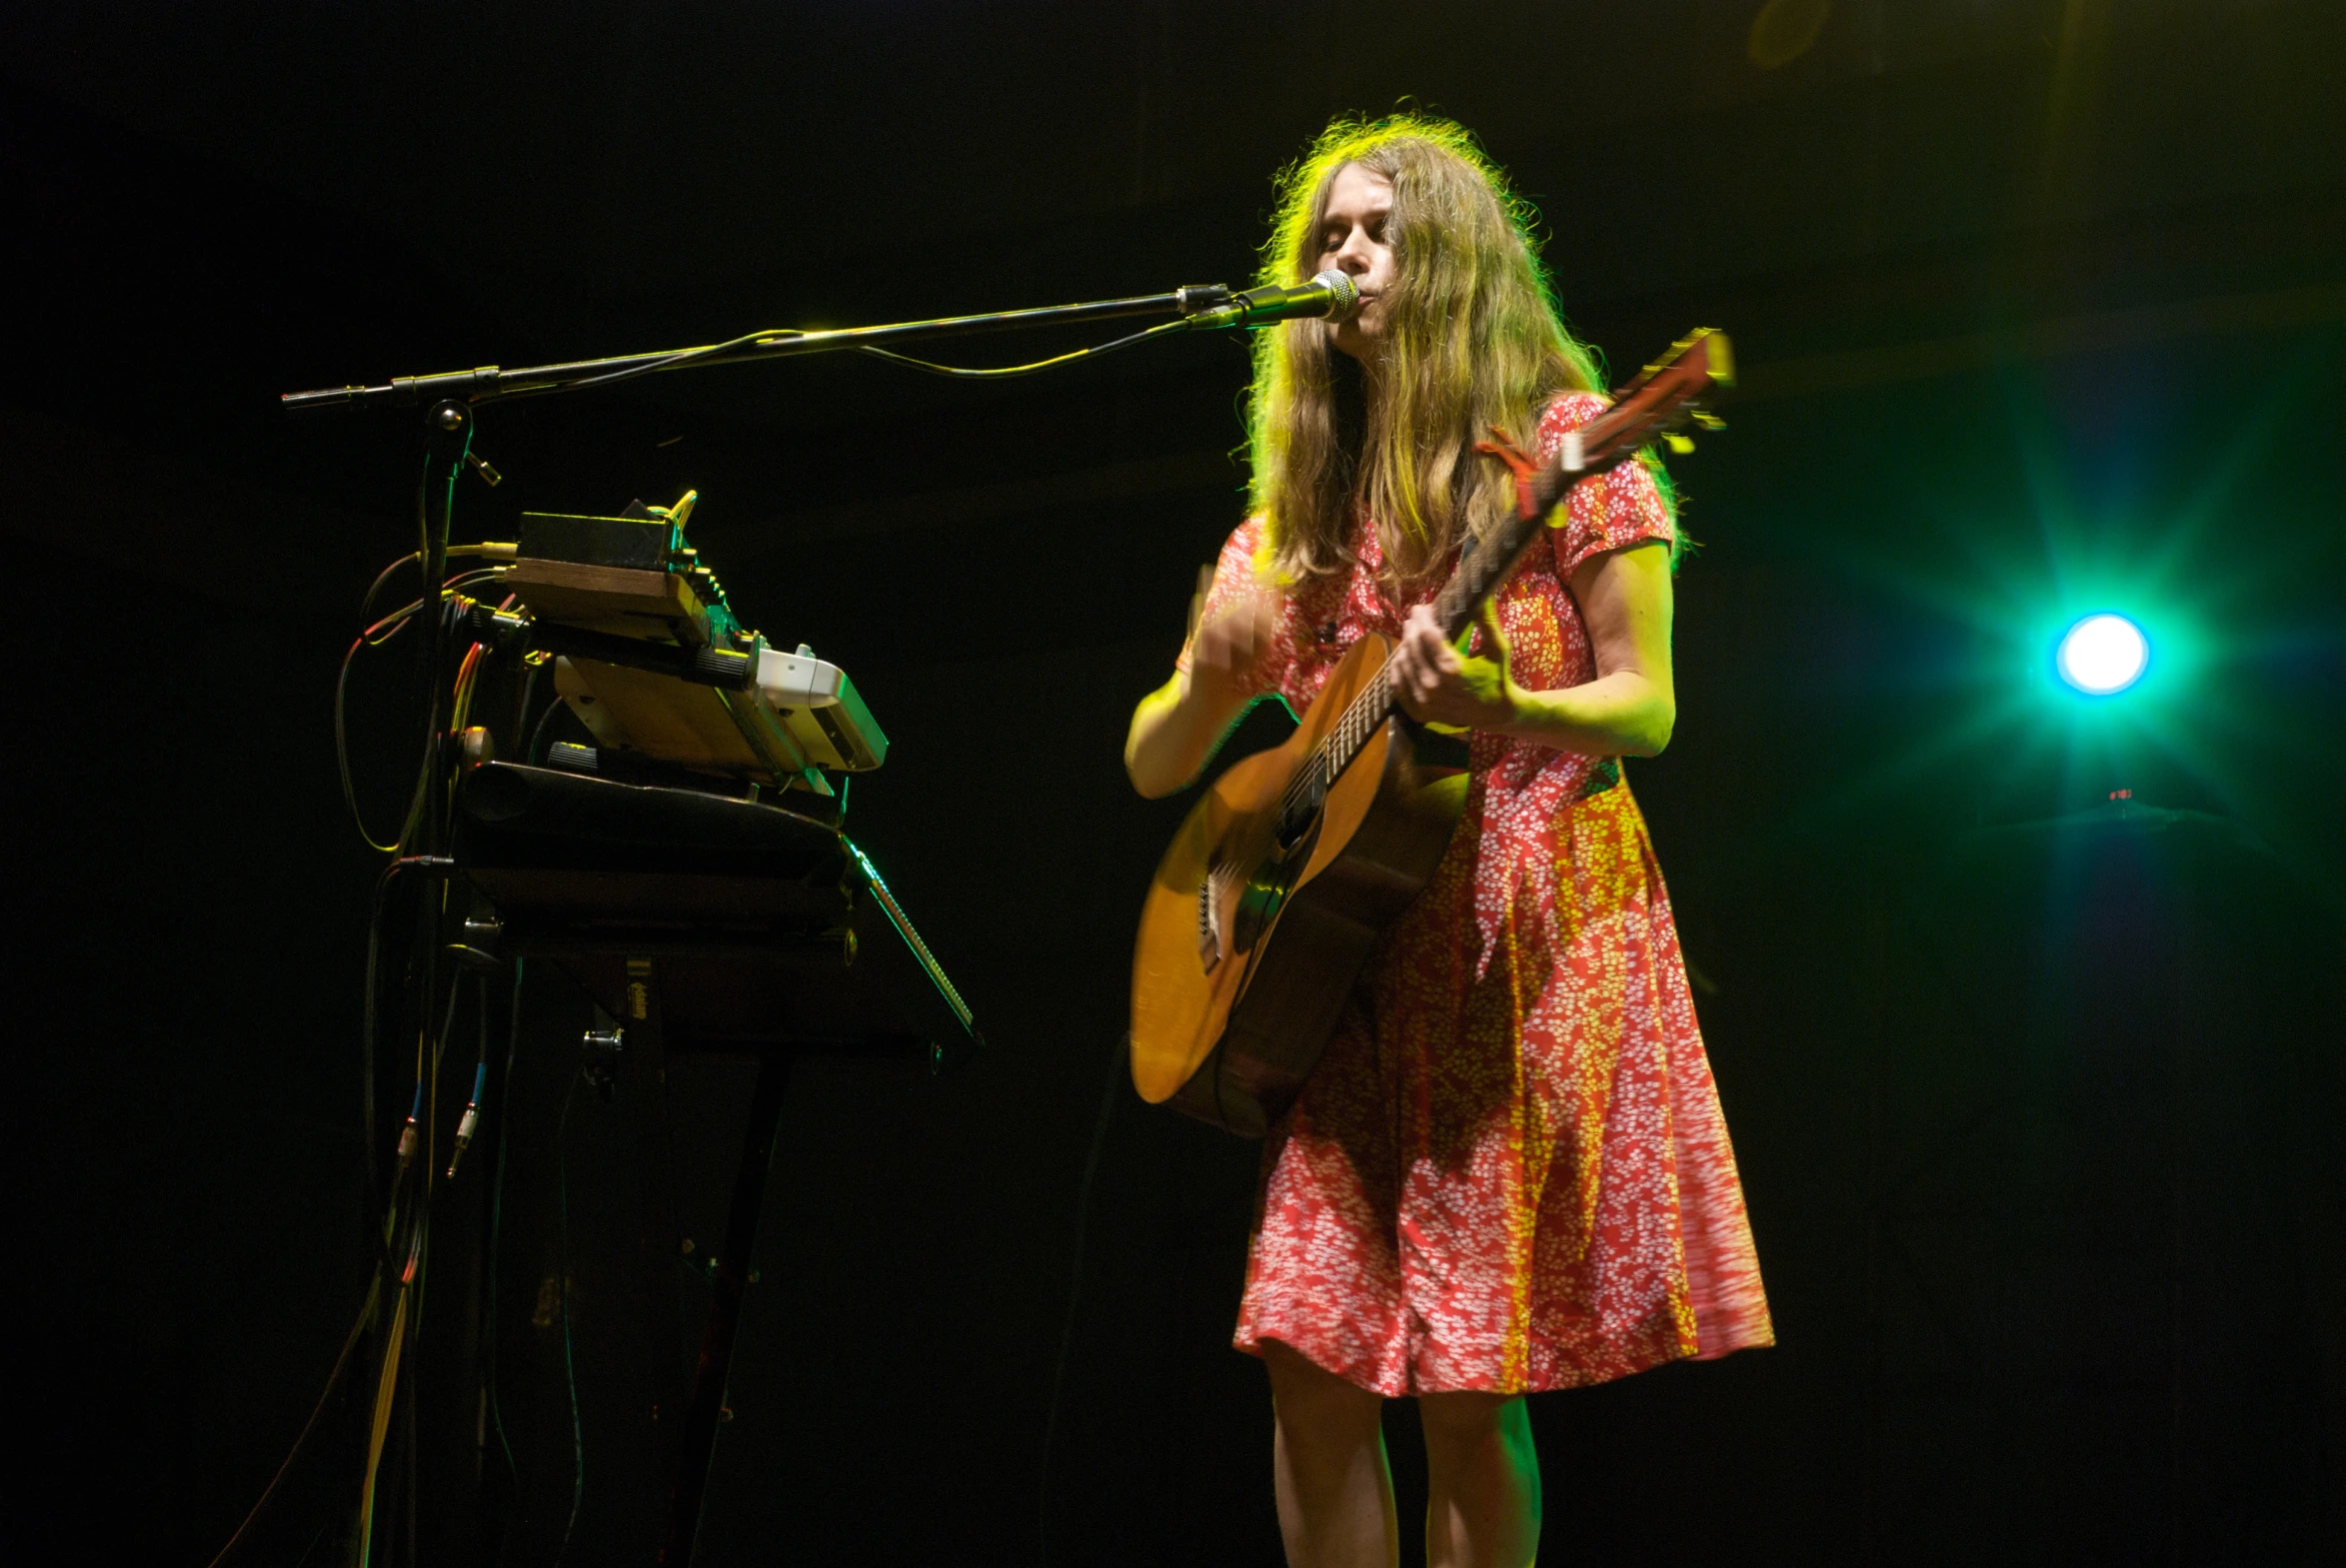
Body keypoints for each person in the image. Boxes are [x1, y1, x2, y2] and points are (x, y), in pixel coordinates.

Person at [1124, 116, 1775, 1568]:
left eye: (1376, 231)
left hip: (1516, 945)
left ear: (1457, 260)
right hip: (1335, 972)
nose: (1342, 259)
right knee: (1309, 1357)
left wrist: (1503, 700)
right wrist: (1213, 683)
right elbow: (1155, 759)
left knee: (1468, 1389)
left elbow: (1648, 708)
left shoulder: (1563, 448)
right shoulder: (1286, 522)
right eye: (1326, 239)